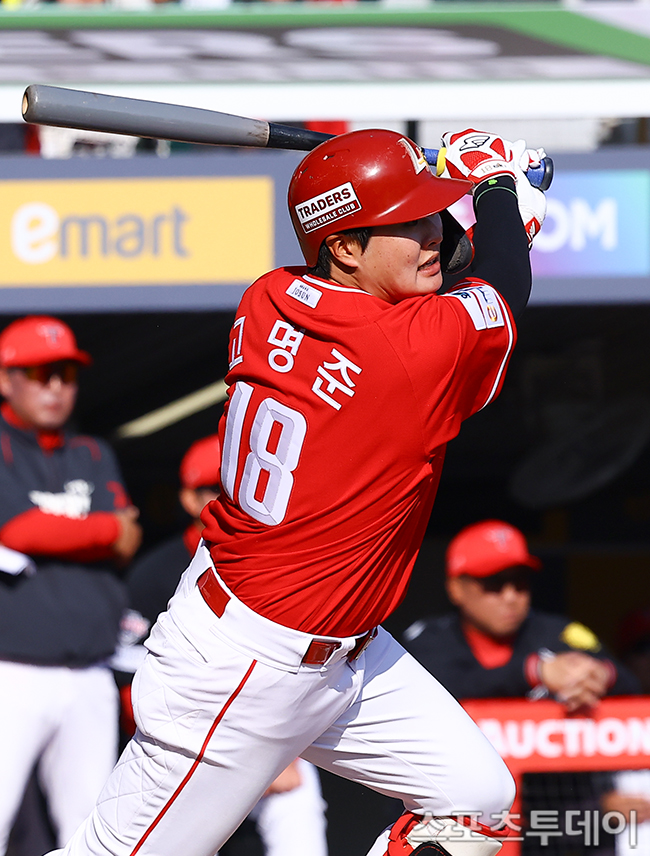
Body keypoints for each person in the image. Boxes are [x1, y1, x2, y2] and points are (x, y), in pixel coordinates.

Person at [48, 127, 549, 856]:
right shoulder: (405, 354)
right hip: (245, 668)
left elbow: (455, 283)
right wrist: (498, 192)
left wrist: (490, 216)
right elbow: (500, 289)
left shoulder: (272, 294)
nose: (433, 235)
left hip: (342, 650)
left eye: (432, 217)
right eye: (410, 221)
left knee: (475, 804)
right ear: (341, 247)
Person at [113, 433, 328, 856]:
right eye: (215, 487)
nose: (230, 495)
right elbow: (126, 684)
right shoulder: (154, 574)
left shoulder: (282, 564)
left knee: (298, 800)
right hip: (175, 739)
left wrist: (276, 749)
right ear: (188, 499)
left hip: (262, 729)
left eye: (242, 481)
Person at [0, 315, 142, 855]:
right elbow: (17, 529)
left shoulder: (92, 452)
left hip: (89, 670)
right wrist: (102, 529)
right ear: (6, 379)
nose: (56, 387)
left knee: (91, 832)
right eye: (41, 374)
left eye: (67, 374)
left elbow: (129, 541)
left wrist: (62, 533)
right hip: (12, 671)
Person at [402, 519, 640, 710]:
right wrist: (534, 672)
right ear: (456, 589)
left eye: (520, 582)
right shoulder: (428, 638)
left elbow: (633, 685)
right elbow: (433, 691)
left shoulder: (559, 631)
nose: (510, 596)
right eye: (493, 583)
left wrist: (601, 675)